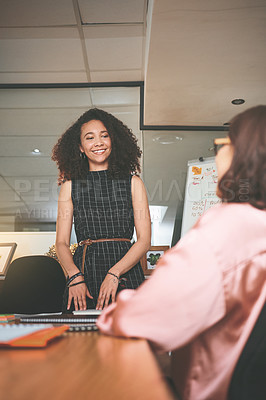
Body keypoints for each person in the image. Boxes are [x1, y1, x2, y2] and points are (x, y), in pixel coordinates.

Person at [97, 105, 266, 400]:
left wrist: (112, 311)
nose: (219, 152)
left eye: (225, 142)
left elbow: (140, 320)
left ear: (246, 153)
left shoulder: (229, 225)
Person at [52, 108, 151, 311]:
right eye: (90, 138)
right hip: (84, 276)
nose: (98, 142)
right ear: (80, 147)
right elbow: (61, 243)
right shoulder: (70, 186)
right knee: (79, 340)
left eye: (104, 136)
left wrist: (115, 274)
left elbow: (144, 240)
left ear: (113, 141)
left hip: (126, 271)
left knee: (129, 338)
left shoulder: (134, 183)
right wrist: (74, 276)